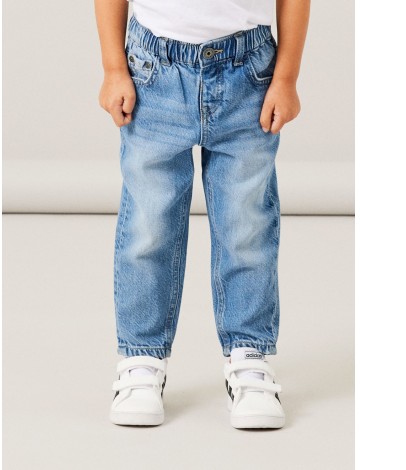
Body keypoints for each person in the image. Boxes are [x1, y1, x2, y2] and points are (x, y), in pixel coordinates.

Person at [94, 0, 310, 429]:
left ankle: (249, 356)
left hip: (247, 76)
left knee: (246, 227)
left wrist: (286, 78)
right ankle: (141, 359)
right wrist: (114, 68)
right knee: (148, 227)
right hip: (154, 73)